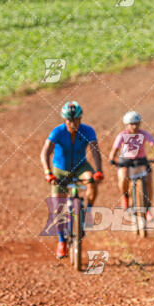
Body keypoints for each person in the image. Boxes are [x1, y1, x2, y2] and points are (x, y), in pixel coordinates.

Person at [40, 101, 104, 259]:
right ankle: (62, 241)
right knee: (58, 206)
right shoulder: (57, 132)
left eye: (75, 120)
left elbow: (95, 151)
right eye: (69, 120)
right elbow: (45, 153)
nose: (72, 123)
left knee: (91, 181)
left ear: (80, 119)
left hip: (81, 166)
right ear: (64, 119)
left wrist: (98, 171)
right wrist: (48, 172)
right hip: (60, 170)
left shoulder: (87, 131)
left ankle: (88, 211)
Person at [109, 111, 154, 217]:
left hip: (141, 160)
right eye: (132, 124)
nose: (135, 126)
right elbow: (114, 149)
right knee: (123, 178)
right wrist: (112, 158)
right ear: (127, 125)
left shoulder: (144, 134)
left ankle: (147, 207)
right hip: (126, 160)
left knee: (148, 180)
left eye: (137, 123)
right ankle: (125, 197)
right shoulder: (122, 135)